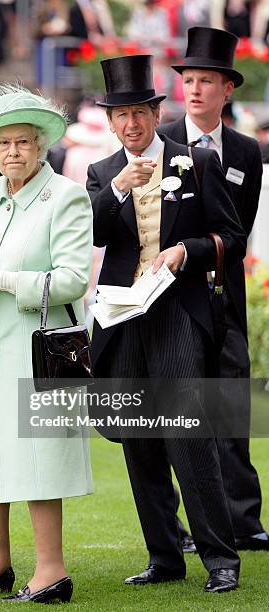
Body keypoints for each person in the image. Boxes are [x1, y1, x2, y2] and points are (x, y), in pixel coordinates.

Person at [86, 54, 246, 593]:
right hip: (122, 314)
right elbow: (98, 233)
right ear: (110, 122)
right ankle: (164, 556)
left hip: (177, 311)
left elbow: (232, 236)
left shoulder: (195, 162)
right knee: (139, 439)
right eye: (120, 115)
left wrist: (185, 251)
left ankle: (221, 559)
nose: (130, 123)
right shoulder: (102, 174)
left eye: (140, 111)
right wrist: (119, 190)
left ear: (156, 113)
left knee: (188, 436)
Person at [0, 84, 93, 604]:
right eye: (3, 144)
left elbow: (74, 279)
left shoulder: (67, 196)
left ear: (41, 145)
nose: (13, 152)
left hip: (39, 352)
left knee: (38, 464)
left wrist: (6, 280)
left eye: (23, 143)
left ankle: (52, 572)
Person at [159, 26, 269, 552]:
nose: (196, 89)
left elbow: (239, 227)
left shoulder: (247, 151)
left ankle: (244, 520)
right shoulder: (163, 145)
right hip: (177, 292)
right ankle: (184, 526)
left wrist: (214, 253)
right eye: (190, 80)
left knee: (232, 401)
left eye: (208, 81)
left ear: (228, 89)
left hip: (225, 287)